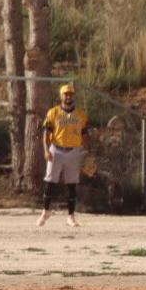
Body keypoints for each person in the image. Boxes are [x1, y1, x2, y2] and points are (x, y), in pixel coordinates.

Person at [38, 83, 94, 227]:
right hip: (56, 149)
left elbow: (85, 134)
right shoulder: (53, 112)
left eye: (70, 94)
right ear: (61, 96)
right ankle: (45, 212)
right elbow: (46, 132)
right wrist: (45, 150)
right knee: (50, 182)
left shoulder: (81, 114)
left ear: (73, 96)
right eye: (65, 94)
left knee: (71, 185)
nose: (68, 96)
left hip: (74, 151)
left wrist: (88, 152)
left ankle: (70, 216)